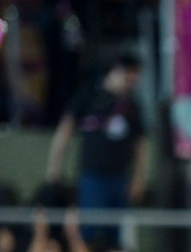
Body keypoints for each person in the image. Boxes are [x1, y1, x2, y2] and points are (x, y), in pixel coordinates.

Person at [46, 55, 148, 237]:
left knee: (116, 233)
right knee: (89, 228)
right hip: (92, 176)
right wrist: (55, 166)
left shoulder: (132, 106)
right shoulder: (88, 95)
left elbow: (139, 146)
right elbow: (64, 131)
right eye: (128, 77)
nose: (130, 83)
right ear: (116, 71)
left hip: (120, 177)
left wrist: (139, 177)